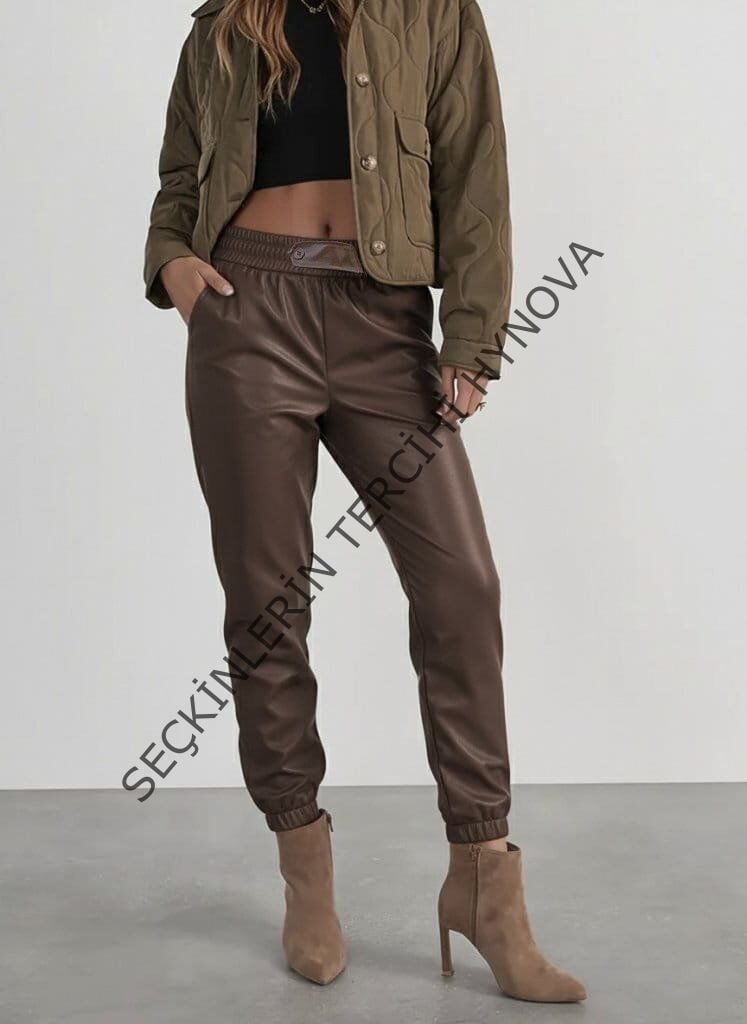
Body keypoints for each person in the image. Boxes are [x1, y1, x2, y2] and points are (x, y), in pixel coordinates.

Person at [144, 0, 586, 1002]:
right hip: (247, 312)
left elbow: (474, 169)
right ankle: (304, 866)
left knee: (462, 586)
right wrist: (173, 263)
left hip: (385, 322)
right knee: (268, 601)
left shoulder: (434, 12)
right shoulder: (225, 19)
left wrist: (472, 336)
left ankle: (485, 882)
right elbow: (180, 175)